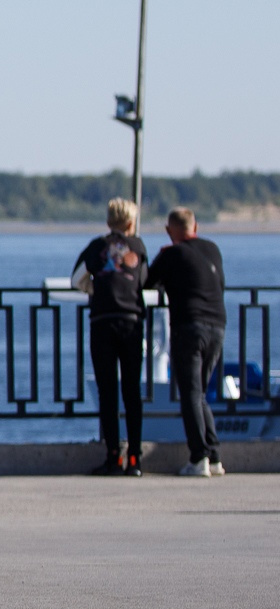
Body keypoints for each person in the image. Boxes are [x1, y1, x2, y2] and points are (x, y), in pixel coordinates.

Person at [146, 207, 228, 478]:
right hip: (217, 325)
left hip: (189, 326)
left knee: (191, 393)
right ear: (196, 226)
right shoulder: (213, 248)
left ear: (170, 231)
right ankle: (213, 454)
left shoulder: (172, 254)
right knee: (200, 392)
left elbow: (148, 282)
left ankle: (199, 457)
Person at [74, 198, 150, 477]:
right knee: (132, 392)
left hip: (102, 322)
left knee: (108, 392)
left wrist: (95, 288)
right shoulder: (139, 247)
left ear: (109, 221)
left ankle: (112, 458)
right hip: (131, 322)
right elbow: (144, 279)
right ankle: (135, 460)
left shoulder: (96, 246)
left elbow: (76, 278)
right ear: (131, 223)